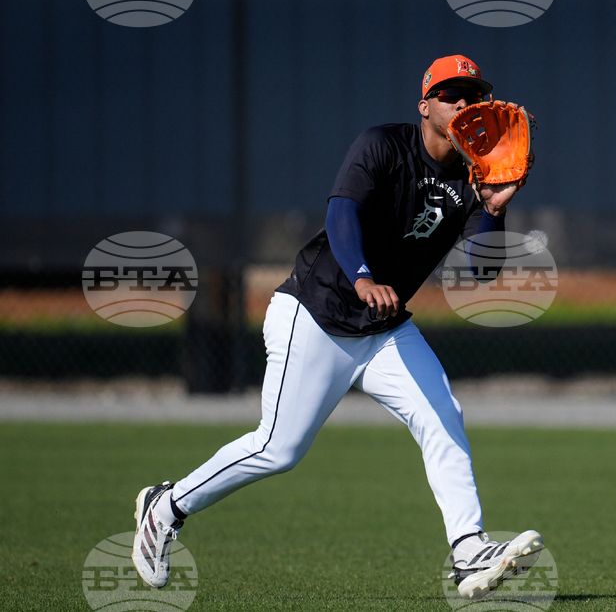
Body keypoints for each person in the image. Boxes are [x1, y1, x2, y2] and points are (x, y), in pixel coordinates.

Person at [130, 55, 543, 600]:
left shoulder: (474, 179)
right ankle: (167, 507)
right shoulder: (383, 144)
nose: (464, 102)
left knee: (443, 417)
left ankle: (468, 551)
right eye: (450, 94)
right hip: (314, 313)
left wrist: (494, 208)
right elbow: (341, 213)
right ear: (425, 106)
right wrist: (363, 276)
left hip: (383, 330)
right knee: (279, 448)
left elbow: (481, 271)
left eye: (473, 94)